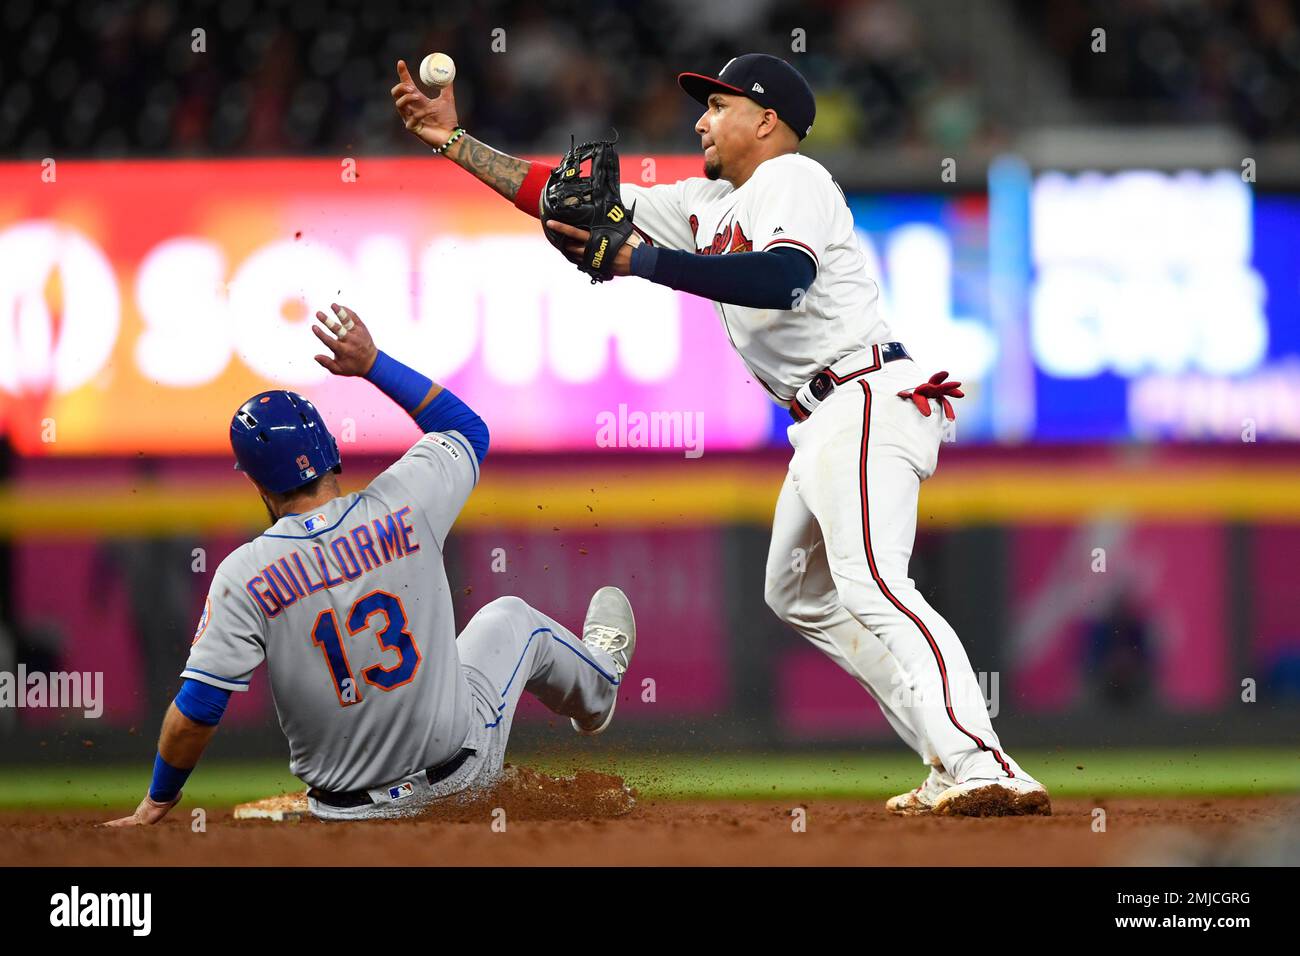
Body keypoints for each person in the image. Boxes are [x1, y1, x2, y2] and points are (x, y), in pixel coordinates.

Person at [391, 53, 1047, 816]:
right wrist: (454, 141)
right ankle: (946, 755)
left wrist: (644, 261)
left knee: (872, 582)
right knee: (795, 591)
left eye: (718, 106)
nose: (700, 119)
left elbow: (782, 279)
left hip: (864, 393)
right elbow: (565, 198)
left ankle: (985, 761)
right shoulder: (706, 203)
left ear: (766, 121)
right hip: (823, 415)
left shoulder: (792, 178)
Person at [105, 304, 635, 824]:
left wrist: (159, 798)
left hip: (343, 814)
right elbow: (468, 429)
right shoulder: (407, 501)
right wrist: (372, 363)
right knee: (512, 619)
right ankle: (600, 688)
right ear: (331, 448)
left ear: (257, 483)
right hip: (455, 783)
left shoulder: (243, 573)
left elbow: (197, 710)